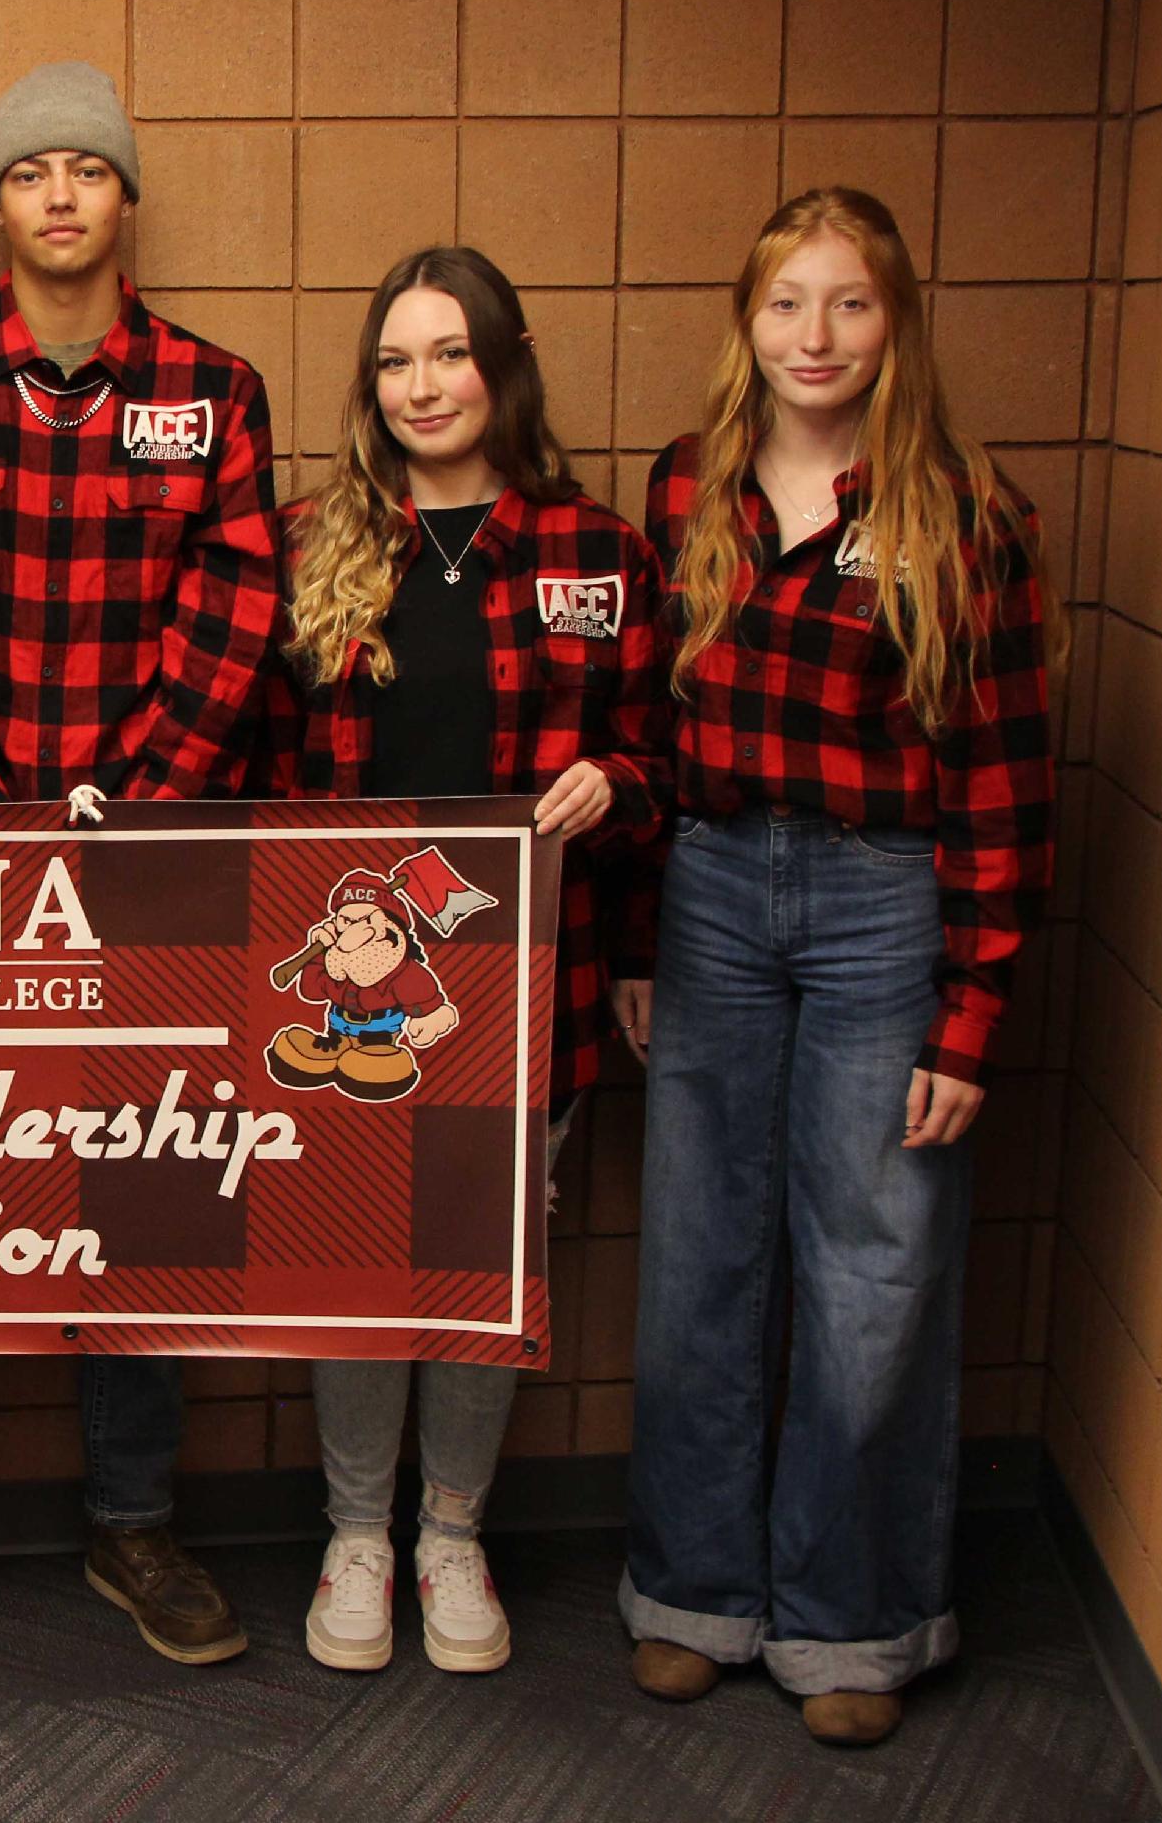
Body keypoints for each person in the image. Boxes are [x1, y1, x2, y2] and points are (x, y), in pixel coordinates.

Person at [0, 62, 280, 1673]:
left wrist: (133, 812)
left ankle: (134, 1521)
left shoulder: (217, 391)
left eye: (91, 167)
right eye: (34, 172)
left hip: (148, 859)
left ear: (124, 198)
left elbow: (233, 614)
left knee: (136, 1195)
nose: (64, 193)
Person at [620, 187, 1059, 1746]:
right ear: (747, 320)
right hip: (717, 887)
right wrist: (637, 935)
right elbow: (649, 734)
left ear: (896, 323)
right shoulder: (692, 489)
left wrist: (972, 1007)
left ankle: (855, 1616)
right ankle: (692, 1592)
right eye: (787, 303)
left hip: (889, 896)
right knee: (697, 1253)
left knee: (876, 1266)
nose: (816, 337)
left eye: (850, 305)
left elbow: (1005, 776)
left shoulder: (963, 510)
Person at [266, 247, 666, 1677]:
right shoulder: (314, 540)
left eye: (449, 353)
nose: (422, 385)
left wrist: (617, 783)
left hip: (530, 983)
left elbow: (667, 761)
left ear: (504, 364)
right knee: (363, 1259)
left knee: (491, 1261)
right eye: (394, 359)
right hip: (348, 986)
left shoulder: (597, 553)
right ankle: (357, 1529)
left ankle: (452, 1529)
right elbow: (255, 774)